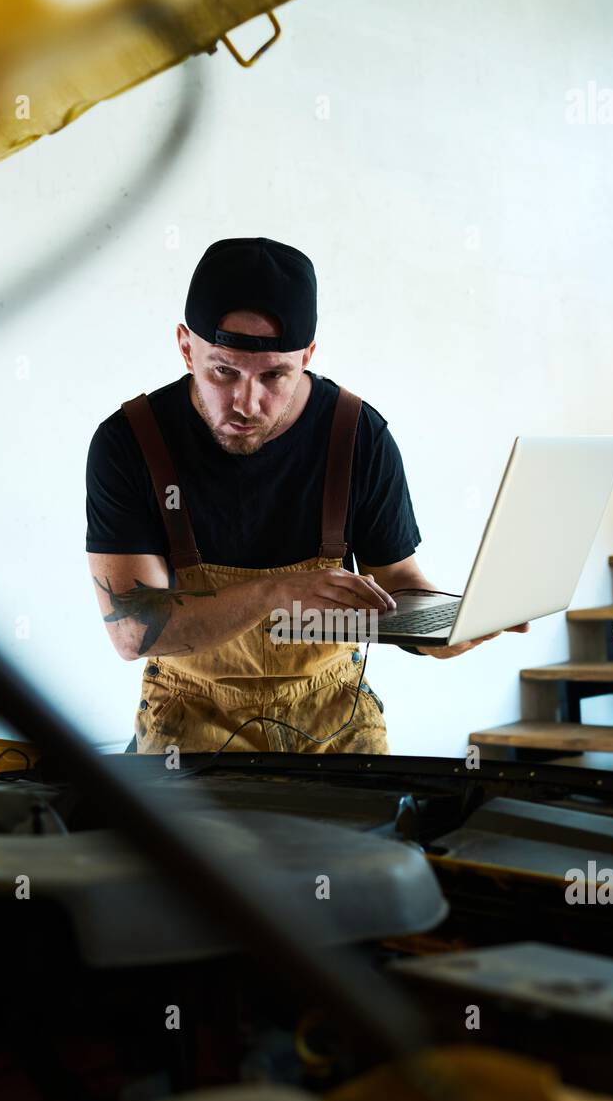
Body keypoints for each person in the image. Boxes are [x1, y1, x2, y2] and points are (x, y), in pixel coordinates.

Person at [86, 236, 527, 755]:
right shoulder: (131, 442)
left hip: (334, 718)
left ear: (307, 356)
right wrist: (275, 594)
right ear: (186, 347)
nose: (245, 403)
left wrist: (446, 628)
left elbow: (400, 581)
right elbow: (135, 633)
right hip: (188, 718)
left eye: (274, 375)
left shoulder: (356, 433)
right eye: (223, 371)